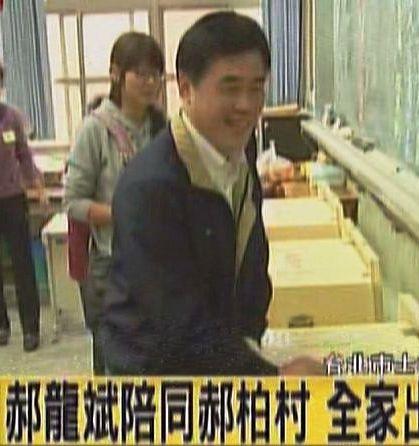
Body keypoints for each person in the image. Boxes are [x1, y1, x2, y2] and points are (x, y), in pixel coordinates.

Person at [101, 12, 321, 375]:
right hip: (156, 376)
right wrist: (271, 378)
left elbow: (251, 260)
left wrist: (252, 342)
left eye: (256, 87)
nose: (246, 105)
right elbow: (178, 325)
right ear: (186, 89)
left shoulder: (239, 150)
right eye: (230, 88)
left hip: (219, 356)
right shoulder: (150, 187)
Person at [64, 32, 166, 374]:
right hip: (112, 264)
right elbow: (73, 202)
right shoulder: (95, 130)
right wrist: (122, 214)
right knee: (114, 359)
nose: (150, 82)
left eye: (156, 74)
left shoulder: (161, 128)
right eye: (141, 74)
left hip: (157, 261)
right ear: (116, 74)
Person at [0, 62, 46, 351]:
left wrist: (37, 185)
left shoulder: (12, 117)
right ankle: (1, 326)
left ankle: (31, 328)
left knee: (22, 263)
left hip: (13, 199)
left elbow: (24, 155)